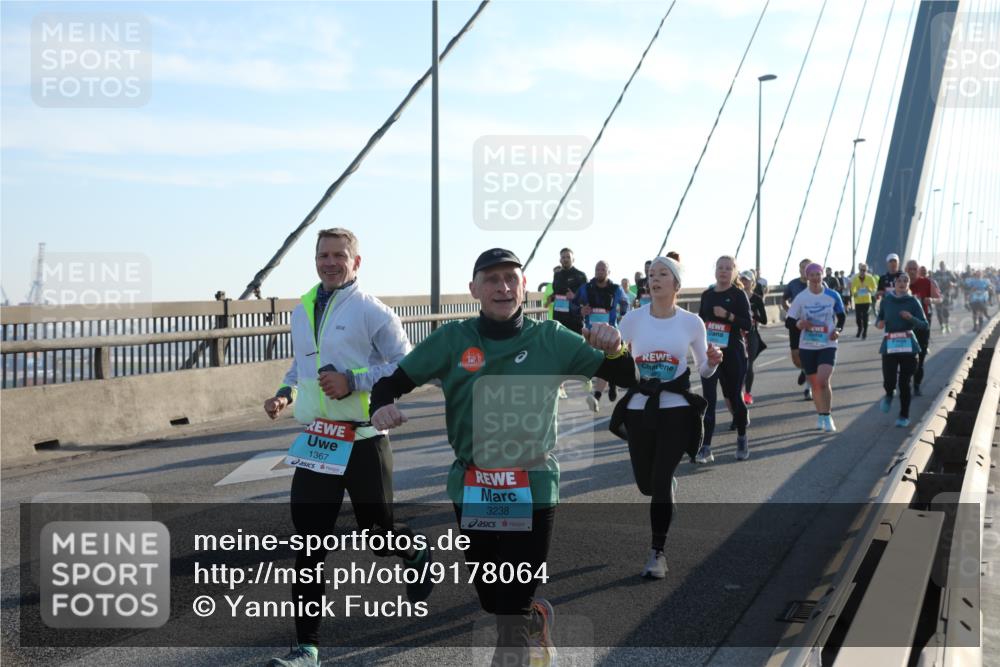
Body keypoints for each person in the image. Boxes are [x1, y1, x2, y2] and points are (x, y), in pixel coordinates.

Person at [369, 248, 638, 667]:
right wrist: (379, 408)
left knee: (509, 612)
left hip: (532, 483)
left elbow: (625, 376)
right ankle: (536, 616)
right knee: (494, 598)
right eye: (492, 279)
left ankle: (515, 639)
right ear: (474, 289)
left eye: (512, 278)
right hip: (474, 483)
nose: (503, 286)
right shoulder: (452, 340)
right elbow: (389, 384)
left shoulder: (550, 337)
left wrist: (617, 347)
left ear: (524, 286)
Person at [262, 228, 430, 667]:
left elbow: (406, 365)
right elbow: (303, 362)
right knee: (309, 544)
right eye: (323, 255)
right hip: (319, 439)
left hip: (364, 439)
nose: (330, 262)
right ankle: (307, 648)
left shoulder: (372, 311)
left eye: (339, 255)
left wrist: (354, 381)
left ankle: (413, 552)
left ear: (357, 262)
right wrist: (285, 392)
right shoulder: (303, 307)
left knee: (378, 535)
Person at [612, 255, 722, 578]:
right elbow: (613, 357)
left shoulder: (691, 323)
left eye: (663, 273)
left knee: (659, 481)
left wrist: (714, 360)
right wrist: (600, 375)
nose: (654, 278)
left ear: (676, 283)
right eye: (651, 274)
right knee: (647, 485)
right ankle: (666, 487)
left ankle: (657, 553)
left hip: (676, 409)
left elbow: (703, 367)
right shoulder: (632, 320)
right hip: (639, 409)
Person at [696, 255, 753, 462]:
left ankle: (741, 436)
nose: (723, 271)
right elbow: (701, 322)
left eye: (728, 268)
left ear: (734, 272)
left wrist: (727, 316)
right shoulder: (707, 295)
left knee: (734, 397)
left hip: (733, 354)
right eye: (720, 267)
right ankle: (706, 446)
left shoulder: (738, 295)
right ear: (715, 270)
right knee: (708, 400)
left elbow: (748, 325)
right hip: (711, 352)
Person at [787, 262, 846, 432]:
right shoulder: (801, 298)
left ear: (822, 276)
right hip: (807, 345)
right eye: (811, 275)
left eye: (818, 274)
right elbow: (789, 321)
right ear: (807, 277)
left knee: (823, 379)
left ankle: (827, 416)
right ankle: (821, 415)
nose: (815, 278)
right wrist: (799, 323)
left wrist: (838, 330)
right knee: (814, 384)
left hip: (828, 343)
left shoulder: (832, 295)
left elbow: (841, 317)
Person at [875, 272, 928, 428]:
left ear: (908, 284)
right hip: (890, 345)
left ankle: (904, 416)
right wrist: (879, 324)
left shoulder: (913, 302)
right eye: (899, 280)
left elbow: (924, 325)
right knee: (889, 380)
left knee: (904, 383)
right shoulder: (887, 301)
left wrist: (911, 318)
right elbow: (880, 319)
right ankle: (889, 394)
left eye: (905, 281)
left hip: (908, 347)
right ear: (894, 283)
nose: (902, 283)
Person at [577, 260, 631, 410]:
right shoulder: (586, 288)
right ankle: (611, 383)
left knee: (606, 363)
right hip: (591, 333)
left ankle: (597, 396)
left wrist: (622, 314)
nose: (599, 271)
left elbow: (625, 303)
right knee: (599, 365)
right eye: (597, 269)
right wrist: (581, 310)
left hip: (610, 333)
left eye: (603, 269)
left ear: (608, 272)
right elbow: (574, 304)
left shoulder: (615, 288)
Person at [783, 258, 813, 400]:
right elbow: (784, 299)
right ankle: (803, 369)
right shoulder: (793, 284)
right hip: (795, 323)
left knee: (810, 354)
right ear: (799, 269)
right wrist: (790, 310)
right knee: (796, 357)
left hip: (812, 324)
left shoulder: (819, 283)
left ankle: (809, 388)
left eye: (808, 267)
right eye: (802, 267)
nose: (805, 270)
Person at [904, 260, 936, 396]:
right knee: (906, 357)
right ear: (906, 269)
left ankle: (917, 385)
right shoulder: (901, 283)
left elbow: (939, 298)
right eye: (909, 268)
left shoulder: (926, 282)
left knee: (921, 357)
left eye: (914, 268)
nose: (912, 271)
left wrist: (931, 300)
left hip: (922, 325)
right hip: (905, 326)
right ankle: (905, 383)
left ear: (918, 270)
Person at [740, 269, 768, 406]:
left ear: (752, 283)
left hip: (751, 334)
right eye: (742, 279)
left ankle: (747, 394)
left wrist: (753, 315)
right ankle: (737, 391)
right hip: (737, 334)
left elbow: (764, 320)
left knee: (748, 364)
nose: (743, 282)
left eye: (746, 280)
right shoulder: (736, 296)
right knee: (738, 366)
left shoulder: (756, 299)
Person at [548, 248, 587, 334]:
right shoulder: (557, 275)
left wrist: (575, 297)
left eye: (568, 257)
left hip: (574, 320)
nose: (565, 259)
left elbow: (587, 299)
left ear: (573, 259)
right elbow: (556, 292)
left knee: (575, 345)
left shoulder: (580, 275)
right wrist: (551, 297)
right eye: (563, 257)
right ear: (560, 260)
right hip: (559, 318)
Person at [850, 263, 878, 339]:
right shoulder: (855, 278)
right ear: (859, 270)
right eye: (861, 270)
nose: (862, 271)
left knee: (865, 317)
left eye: (864, 270)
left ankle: (865, 332)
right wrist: (854, 293)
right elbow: (852, 288)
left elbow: (875, 288)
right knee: (858, 318)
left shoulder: (870, 278)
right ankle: (860, 328)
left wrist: (870, 289)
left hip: (867, 300)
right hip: (858, 301)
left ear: (866, 270)